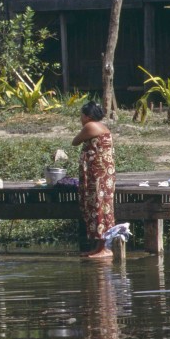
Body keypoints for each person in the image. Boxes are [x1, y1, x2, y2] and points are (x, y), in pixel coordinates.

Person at [72, 101, 116, 258]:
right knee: (102, 207)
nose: (80, 118)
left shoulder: (90, 127)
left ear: (87, 116)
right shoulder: (103, 127)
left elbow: (75, 141)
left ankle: (103, 249)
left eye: (81, 115)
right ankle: (100, 247)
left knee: (98, 207)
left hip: (98, 175)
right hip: (102, 174)